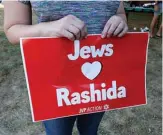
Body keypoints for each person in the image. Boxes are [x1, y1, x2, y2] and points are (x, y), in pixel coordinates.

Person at [3, 1, 128, 135]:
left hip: (100, 79)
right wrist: (48, 28)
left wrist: (120, 20)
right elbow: (12, 29)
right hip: (54, 79)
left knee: (90, 131)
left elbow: (119, 12)